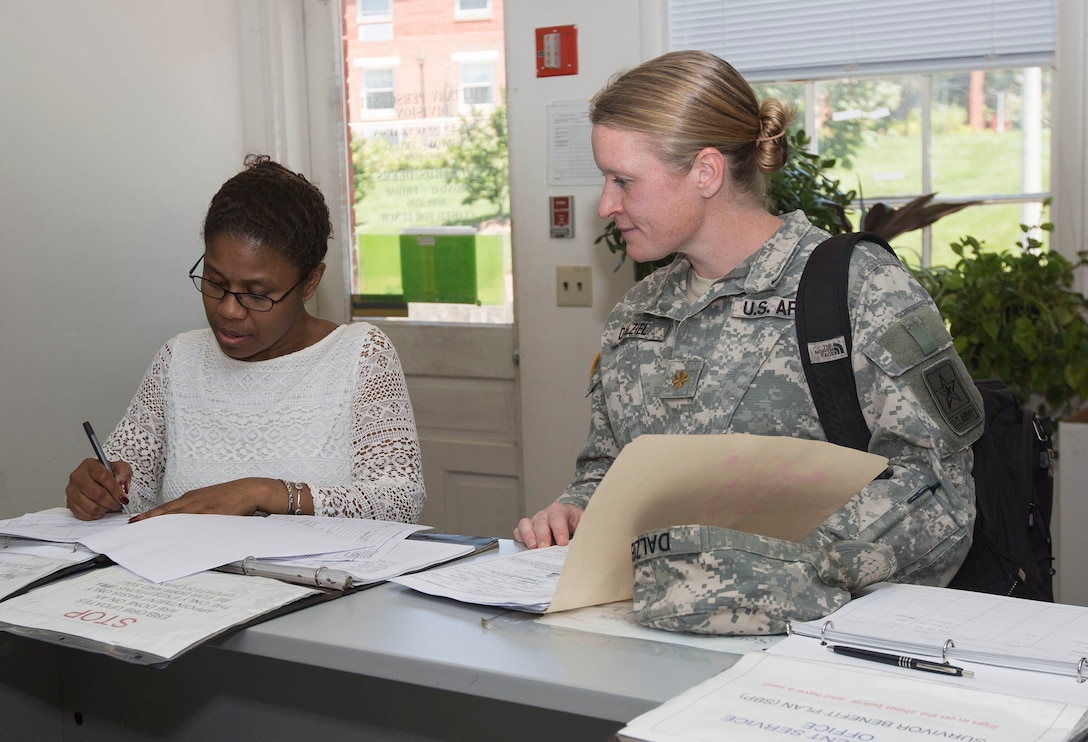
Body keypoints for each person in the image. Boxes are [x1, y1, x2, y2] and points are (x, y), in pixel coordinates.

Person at [513, 51, 984, 631]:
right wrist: (574, 512)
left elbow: (937, 492)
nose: (607, 204)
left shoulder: (854, 287)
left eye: (623, 181)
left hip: (823, 649)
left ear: (706, 172)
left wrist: (795, 566)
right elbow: (608, 470)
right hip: (647, 635)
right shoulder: (640, 310)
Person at [66, 154, 425, 523]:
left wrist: (261, 492)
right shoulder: (179, 359)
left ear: (310, 283)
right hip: (191, 576)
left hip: (315, 579)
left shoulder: (360, 354)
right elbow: (129, 487)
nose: (229, 310)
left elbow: (399, 502)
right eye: (215, 282)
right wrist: (98, 491)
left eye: (256, 293)